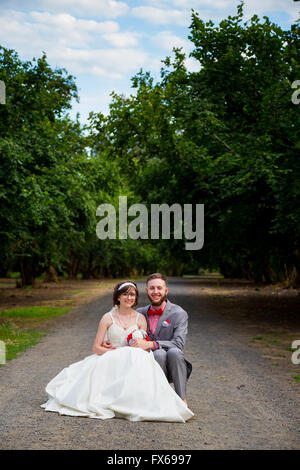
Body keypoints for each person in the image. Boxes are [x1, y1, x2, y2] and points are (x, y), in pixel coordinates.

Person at [41, 281, 194, 422]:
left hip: (134, 359)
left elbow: (142, 342)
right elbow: (96, 347)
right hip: (112, 357)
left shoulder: (140, 318)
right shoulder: (107, 318)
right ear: (118, 297)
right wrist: (113, 352)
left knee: (147, 359)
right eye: (125, 294)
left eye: (132, 294)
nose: (129, 297)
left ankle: (165, 399)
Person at [104, 274, 192, 407]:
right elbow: (119, 320)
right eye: (152, 288)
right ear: (147, 291)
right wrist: (108, 340)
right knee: (158, 354)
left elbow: (178, 343)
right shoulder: (140, 313)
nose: (155, 292)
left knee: (174, 352)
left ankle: (182, 400)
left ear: (166, 291)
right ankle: (159, 398)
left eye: (159, 288)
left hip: (173, 363)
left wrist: (151, 344)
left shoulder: (179, 313)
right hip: (148, 363)